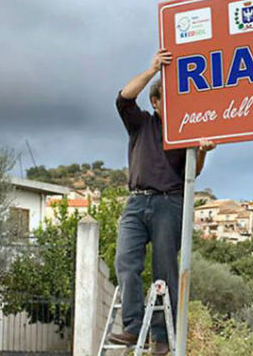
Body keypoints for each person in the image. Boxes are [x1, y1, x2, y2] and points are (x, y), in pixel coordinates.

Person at [108, 49, 215, 355]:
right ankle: (131, 327)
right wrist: (153, 69)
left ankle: (161, 337)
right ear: (155, 102)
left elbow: (191, 172)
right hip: (137, 202)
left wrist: (203, 150)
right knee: (125, 262)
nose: (173, 104)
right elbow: (123, 99)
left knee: (164, 271)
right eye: (166, 99)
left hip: (170, 203)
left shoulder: (186, 133)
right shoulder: (141, 123)